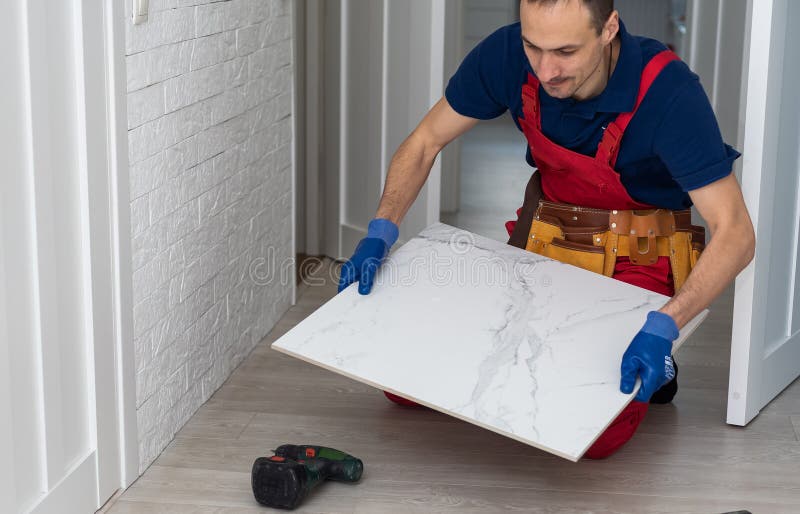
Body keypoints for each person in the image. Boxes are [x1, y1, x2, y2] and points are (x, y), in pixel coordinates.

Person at [337, 0, 755, 459]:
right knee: (404, 387)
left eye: (565, 52)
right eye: (533, 46)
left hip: (638, 255)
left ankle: (658, 364)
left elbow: (735, 232)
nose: (546, 70)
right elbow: (423, 142)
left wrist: (666, 323)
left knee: (594, 435)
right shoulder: (506, 54)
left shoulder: (668, 92)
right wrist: (381, 229)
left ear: (609, 29)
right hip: (546, 238)